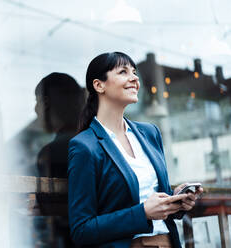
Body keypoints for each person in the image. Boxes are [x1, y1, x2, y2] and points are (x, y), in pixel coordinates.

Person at [67, 52, 203, 248]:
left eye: (134, 72)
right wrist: (143, 213)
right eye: (123, 72)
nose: (134, 78)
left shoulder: (150, 133)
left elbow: (155, 204)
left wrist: (177, 201)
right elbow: (81, 230)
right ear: (99, 85)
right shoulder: (84, 146)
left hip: (168, 243)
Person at [34, 72, 84, 247]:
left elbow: (49, 216)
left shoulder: (52, 153)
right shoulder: (102, 143)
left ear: (47, 104)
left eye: (37, 102)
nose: (35, 110)